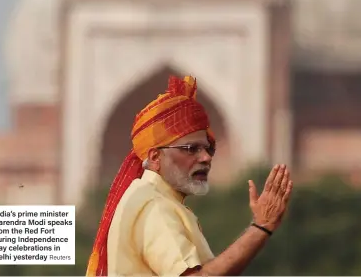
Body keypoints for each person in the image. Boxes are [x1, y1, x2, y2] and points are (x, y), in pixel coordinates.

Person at [86, 75, 293, 276]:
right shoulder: (153, 206)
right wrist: (261, 227)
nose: (205, 158)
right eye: (191, 148)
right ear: (156, 157)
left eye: (208, 149)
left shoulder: (154, 199)